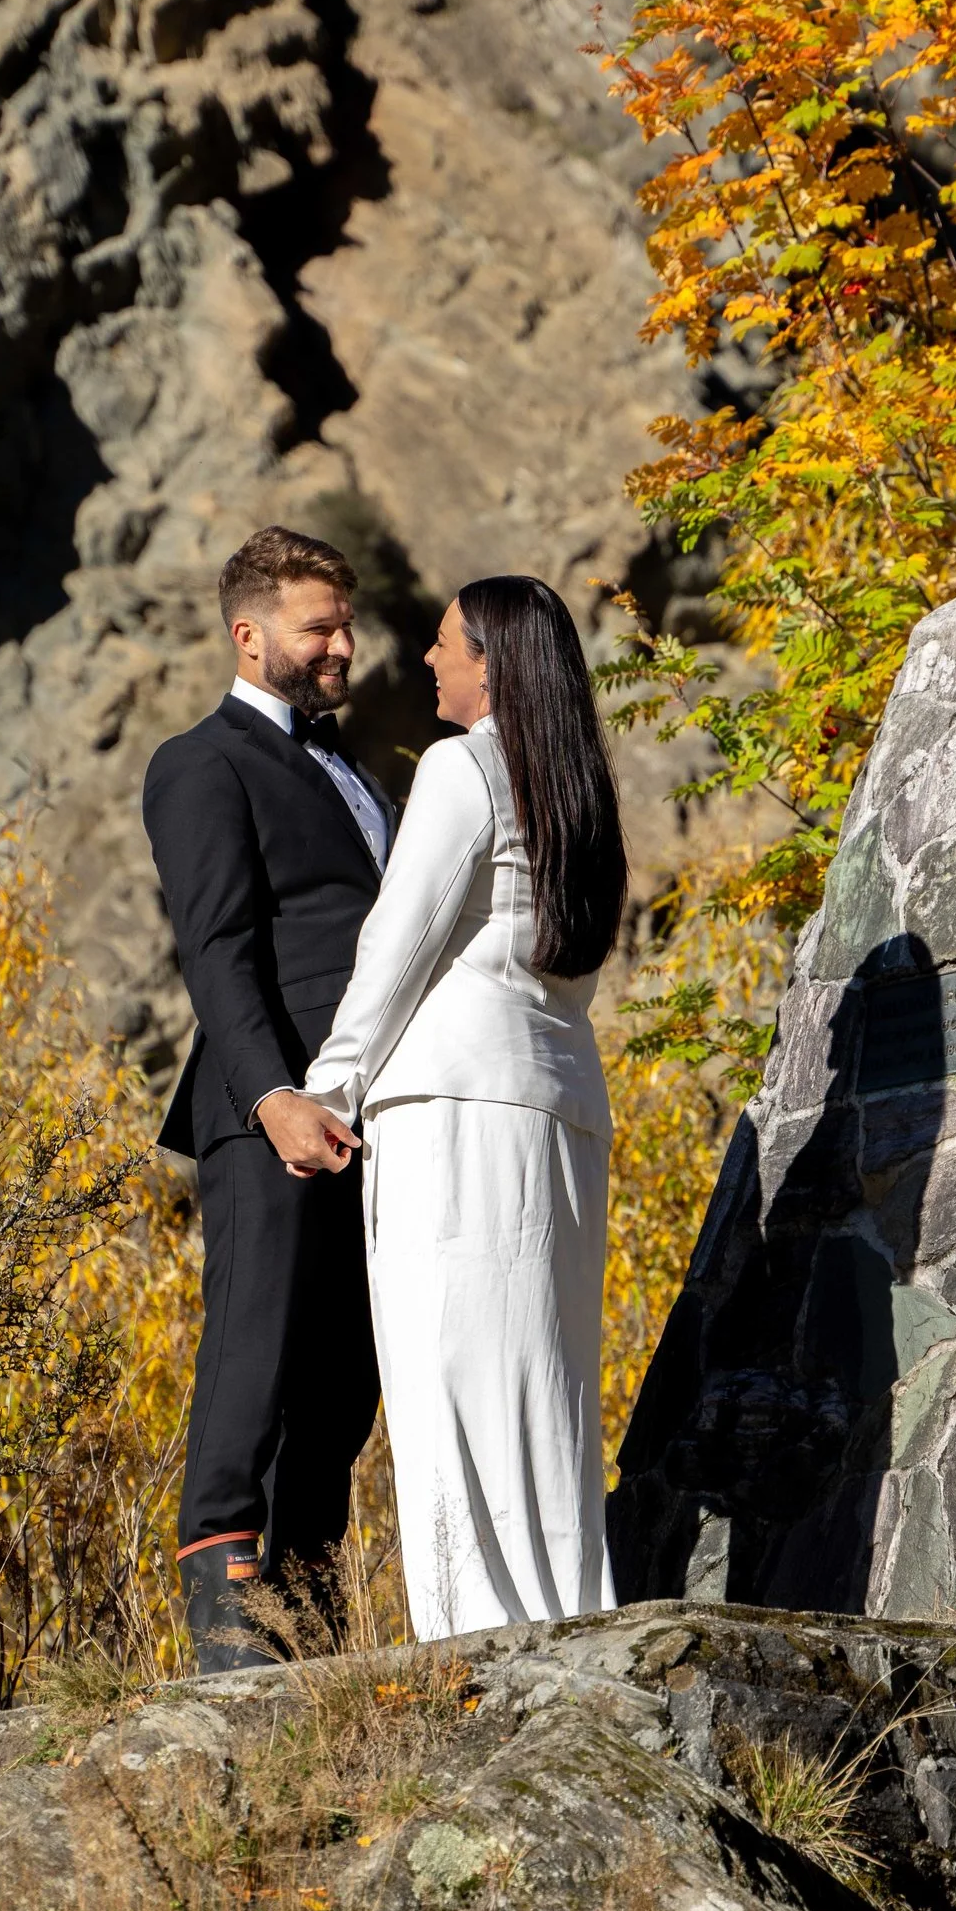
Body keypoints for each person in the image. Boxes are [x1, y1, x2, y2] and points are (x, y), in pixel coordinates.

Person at [274, 577, 626, 1639]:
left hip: (453, 1113)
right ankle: (568, 1626)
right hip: (560, 1104)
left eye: (442, 647)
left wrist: (322, 1088)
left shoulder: (463, 766)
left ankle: (480, 1644)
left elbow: (398, 943)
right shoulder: (579, 790)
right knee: (547, 1389)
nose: (426, 664)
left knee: (453, 1382)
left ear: (492, 662)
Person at [141, 529, 393, 1672]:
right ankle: (229, 1629)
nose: (342, 645)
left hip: (370, 1118)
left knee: (345, 1379)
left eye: (345, 623)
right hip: (269, 1112)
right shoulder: (203, 763)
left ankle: (308, 1619)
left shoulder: (362, 773)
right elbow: (217, 949)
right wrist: (273, 1096)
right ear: (250, 635)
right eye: (318, 627)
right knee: (256, 1350)